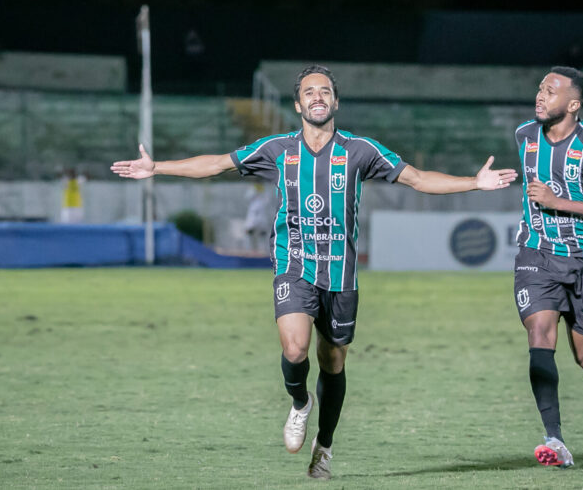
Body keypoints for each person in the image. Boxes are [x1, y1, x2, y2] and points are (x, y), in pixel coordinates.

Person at [112, 65, 518, 479]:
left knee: (334, 362)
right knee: (294, 349)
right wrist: (157, 167)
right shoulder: (277, 149)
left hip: (341, 275)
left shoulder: (361, 150)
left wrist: (474, 182)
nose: (318, 97)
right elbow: (217, 163)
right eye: (310, 92)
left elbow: (416, 178)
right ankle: (300, 403)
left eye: (325, 91)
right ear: (298, 104)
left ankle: (323, 447)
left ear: (335, 102)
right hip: (294, 265)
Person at [512, 66, 583, 468]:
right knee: (540, 333)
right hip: (535, 255)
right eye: (540, 88)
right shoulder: (524, 136)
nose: (540, 95)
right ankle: (555, 440)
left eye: (551, 90)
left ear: (573, 104)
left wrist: (558, 202)